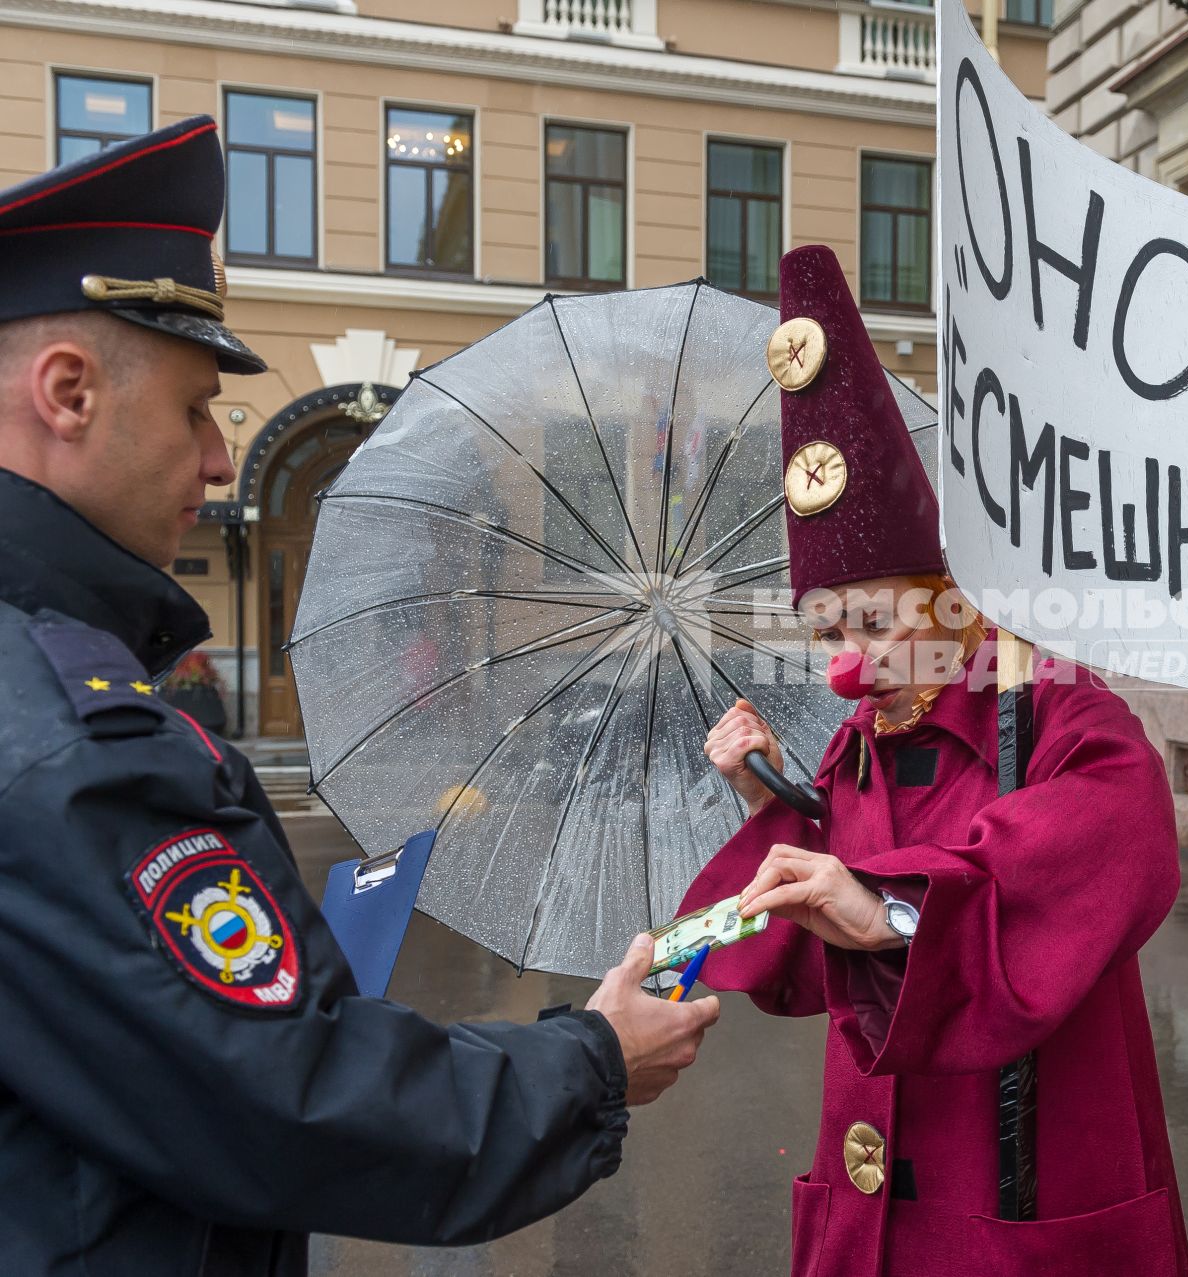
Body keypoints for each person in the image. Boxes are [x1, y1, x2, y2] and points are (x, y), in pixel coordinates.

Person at [0, 117, 719, 1276]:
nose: (221, 460)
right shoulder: (69, 740)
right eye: (195, 408)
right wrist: (592, 1055)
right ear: (69, 392)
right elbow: (283, 1101)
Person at [681, 244, 1188, 1276]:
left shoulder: (1055, 705)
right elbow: (812, 935)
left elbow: (1123, 836)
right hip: (871, 1211)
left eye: (871, 619)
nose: (846, 663)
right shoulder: (860, 746)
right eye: (824, 632)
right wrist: (767, 800)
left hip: (1022, 1199)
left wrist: (894, 908)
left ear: (948, 598)